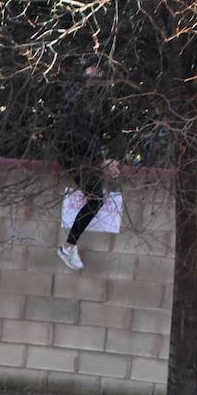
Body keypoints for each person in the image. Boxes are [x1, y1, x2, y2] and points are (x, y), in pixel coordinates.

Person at [54, 60, 119, 271]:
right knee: (95, 198)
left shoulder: (96, 97)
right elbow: (78, 133)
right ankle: (68, 246)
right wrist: (101, 161)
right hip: (72, 153)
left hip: (82, 153)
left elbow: (96, 133)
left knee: (95, 197)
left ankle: (69, 246)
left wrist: (104, 158)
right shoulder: (80, 95)